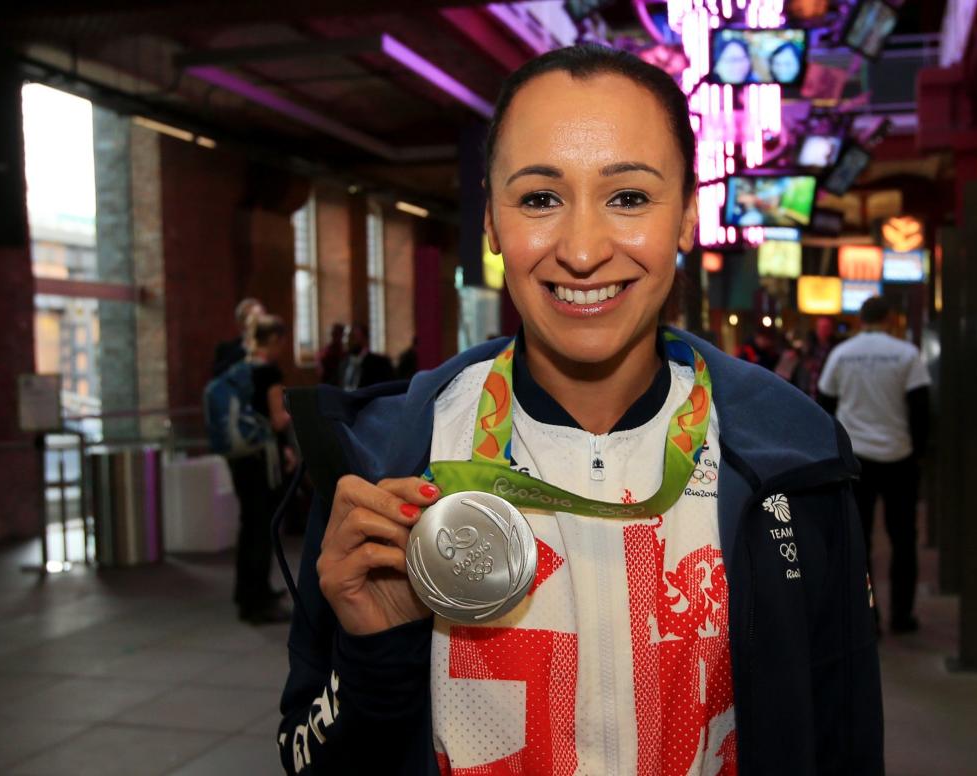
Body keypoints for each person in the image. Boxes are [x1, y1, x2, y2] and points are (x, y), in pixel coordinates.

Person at [277, 45, 881, 775]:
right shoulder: (379, 466)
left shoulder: (795, 460)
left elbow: (841, 734)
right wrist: (376, 655)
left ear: (687, 216)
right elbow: (302, 756)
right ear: (492, 223)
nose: (584, 250)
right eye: (538, 199)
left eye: (628, 197)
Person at [818, 296, 930, 634]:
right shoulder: (907, 355)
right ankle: (902, 615)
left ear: (861, 319)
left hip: (856, 460)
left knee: (858, 540)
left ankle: (868, 617)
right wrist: (917, 452)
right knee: (903, 540)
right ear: (889, 319)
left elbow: (824, 404)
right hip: (899, 458)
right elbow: (922, 410)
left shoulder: (841, 355)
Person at [230, 314, 293, 624]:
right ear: (275, 339)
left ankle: (247, 591)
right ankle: (257, 603)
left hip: (242, 458)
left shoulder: (242, 368)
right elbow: (278, 418)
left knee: (249, 524)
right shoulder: (269, 372)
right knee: (262, 527)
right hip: (263, 461)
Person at [212, 297, 263, 377]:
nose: (263, 322)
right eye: (256, 318)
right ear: (241, 322)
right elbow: (218, 375)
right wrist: (246, 347)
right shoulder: (226, 349)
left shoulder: (269, 349)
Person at [340, 323, 396, 390]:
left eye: (353, 337)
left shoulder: (380, 364)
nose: (348, 341)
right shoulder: (343, 363)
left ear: (365, 338)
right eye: (347, 337)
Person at [318, 323, 348, 387]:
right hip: (329, 383)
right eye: (335, 334)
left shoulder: (343, 351)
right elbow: (321, 370)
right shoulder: (327, 351)